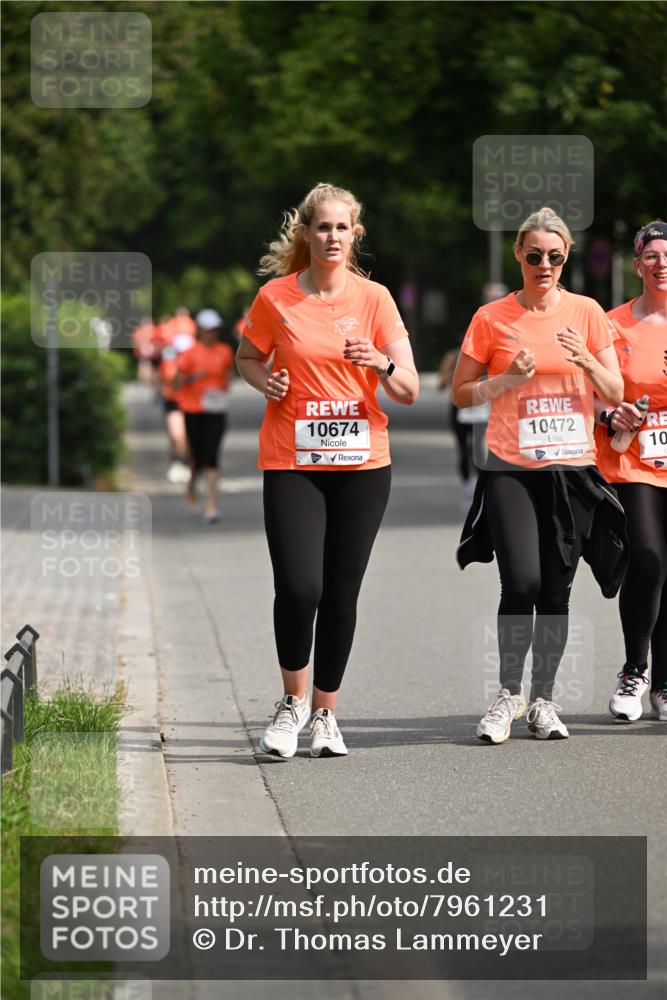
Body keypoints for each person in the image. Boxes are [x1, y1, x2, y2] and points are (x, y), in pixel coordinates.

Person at [236, 182, 419, 758]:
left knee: (341, 592)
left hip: (363, 464)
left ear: (354, 234)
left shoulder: (376, 299)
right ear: (306, 234)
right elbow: (246, 357)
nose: (333, 236)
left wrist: (381, 361)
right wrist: (266, 380)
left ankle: (325, 713)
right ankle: (290, 704)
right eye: (323, 227)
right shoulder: (276, 299)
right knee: (299, 586)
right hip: (293, 459)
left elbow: (409, 390)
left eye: (343, 227)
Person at [453, 207, 624, 744]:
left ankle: (544, 700)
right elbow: (462, 392)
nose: (543, 263)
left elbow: (614, 393)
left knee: (556, 589)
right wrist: (504, 379)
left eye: (554, 255)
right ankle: (508, 695)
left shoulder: (588, 312)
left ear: (566, 257)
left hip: (571, 469)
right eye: (534, 255)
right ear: (518, 256)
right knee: (520, 581)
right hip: (511, 468)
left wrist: (586, 361)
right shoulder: (491, 317)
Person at [595, 220, 667, 722]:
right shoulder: (612, 323)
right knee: (646, 558)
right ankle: (634, 668)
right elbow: (592, 389)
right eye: (653, 256)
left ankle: (663, 684)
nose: (662, 264)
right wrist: (609, 412)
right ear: (637, 263)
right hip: (632, 459)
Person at [173, 308, 235, 523]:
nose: (213, 333)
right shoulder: (189, 353)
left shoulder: (225, 351)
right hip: (193, 410)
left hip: (216, 411)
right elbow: (176, 383)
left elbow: (229, 374)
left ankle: (211, 506)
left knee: (211, 456)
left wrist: (223, 390)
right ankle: (191, 483)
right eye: (209, 329)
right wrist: (192, 378)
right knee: (197, 457)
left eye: (216, 329)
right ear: (200, 330)